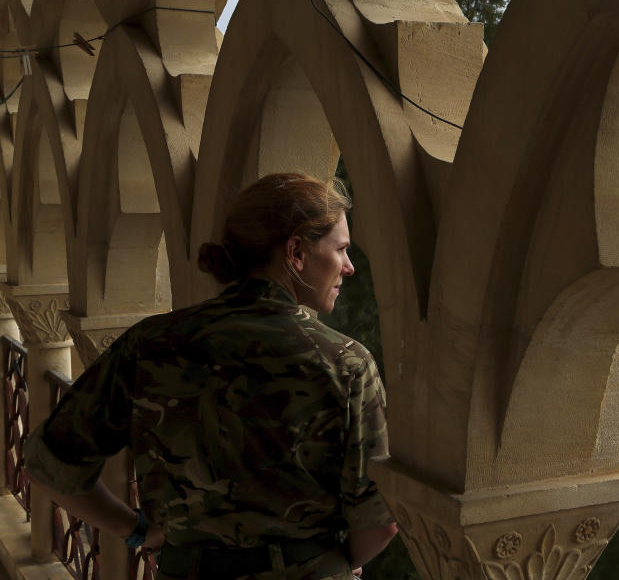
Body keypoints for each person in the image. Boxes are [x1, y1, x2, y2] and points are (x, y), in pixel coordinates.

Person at [24, 173, 397, 580]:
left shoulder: (150, 345)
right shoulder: (346, 363)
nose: (349, 266)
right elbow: (380, 523)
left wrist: (133, 530)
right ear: (295, 251)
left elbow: (48, 465)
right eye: (341, 249)